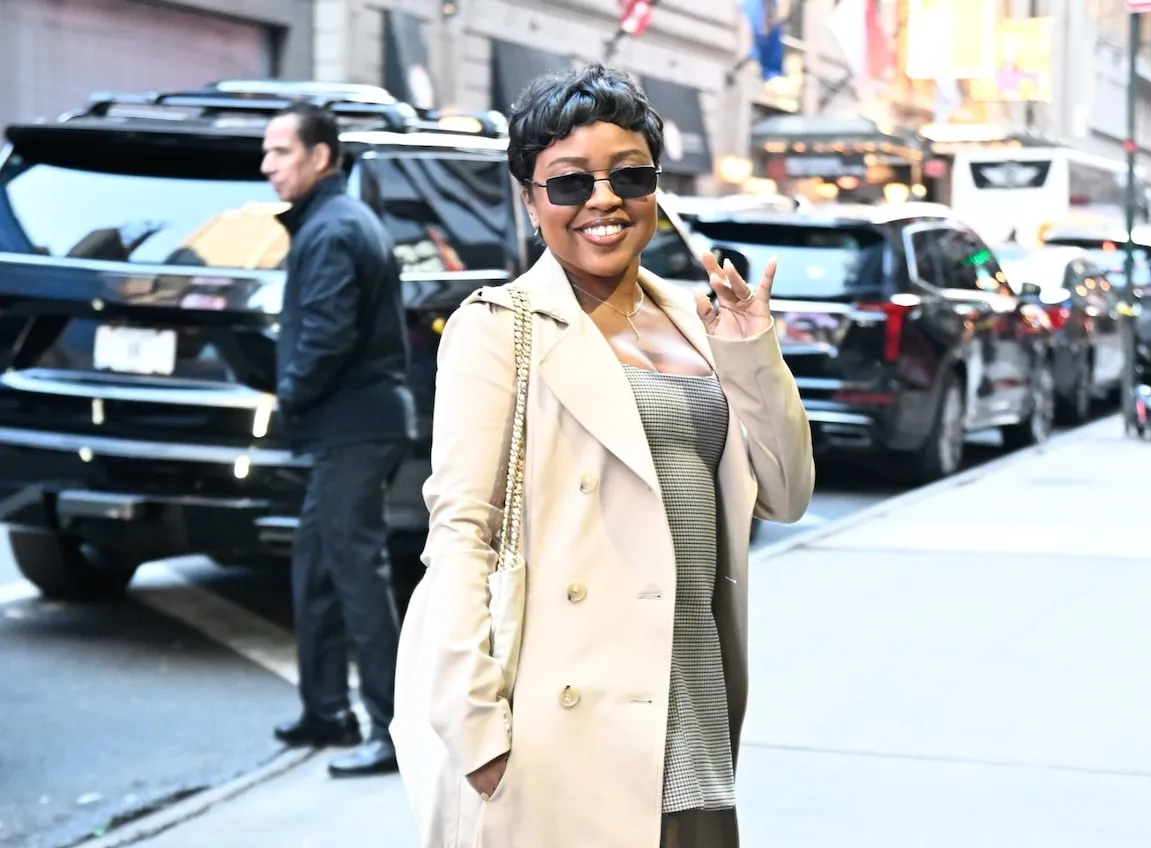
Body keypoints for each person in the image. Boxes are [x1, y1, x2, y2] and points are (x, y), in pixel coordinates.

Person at [404, 65, 815, 845]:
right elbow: (462, 532)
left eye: (630, 175)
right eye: (569, 183)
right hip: (555, 729)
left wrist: (753, 353)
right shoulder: (500, 326)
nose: (603, 200)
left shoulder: (699, 322)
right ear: (530, 200)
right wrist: (475, 729)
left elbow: (788, 496)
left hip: (691, 710)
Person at [261, 103, 410, 777]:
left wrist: (287, 394)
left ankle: (395, 729)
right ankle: (327, 711)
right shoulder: (333, 222)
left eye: (281, 152)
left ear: (322, 157)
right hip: (352, 427)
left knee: (356, 577)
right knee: (316, 567)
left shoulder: (332, 230)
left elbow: (327, 334)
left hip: (355, 427)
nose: (268, 167)